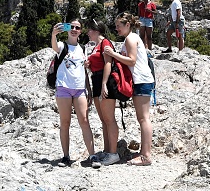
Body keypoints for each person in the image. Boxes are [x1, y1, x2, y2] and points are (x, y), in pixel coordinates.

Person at [103, 12, 154, 166]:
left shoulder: (131, 39)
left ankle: (145, 156)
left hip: (141, 81)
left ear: (127, 25)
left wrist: (113, 54)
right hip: (140, 81)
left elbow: (131, 61)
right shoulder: (131, 38)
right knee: (142, 118)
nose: (116, 28)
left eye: (119, 25)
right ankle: (144, 152)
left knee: (143, 118)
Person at [50, 19, 99, 167]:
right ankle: (65, 156)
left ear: (80, 31)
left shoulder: (82, 48)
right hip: (63, 87)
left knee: (84, 121)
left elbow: (84, 70)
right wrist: (53, 34)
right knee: (65, 122)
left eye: (77, 28)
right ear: (67, 29)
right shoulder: (62, 46)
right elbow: (54, 47)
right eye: (71, 27)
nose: (74, 29)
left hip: (79, 89)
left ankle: (92, 155)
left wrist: (88, 89)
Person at [85, 19, 120, 166]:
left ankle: (113, 153)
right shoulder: (96, 46)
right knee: (104, 119)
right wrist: (89, 64)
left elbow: (108, 63)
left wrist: (104, 84)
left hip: (104, 81)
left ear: (96, 30)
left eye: (90, 30)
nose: (87, 32)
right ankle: (107, 151)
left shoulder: (105, 43)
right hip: (96, 79)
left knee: (109, 118)